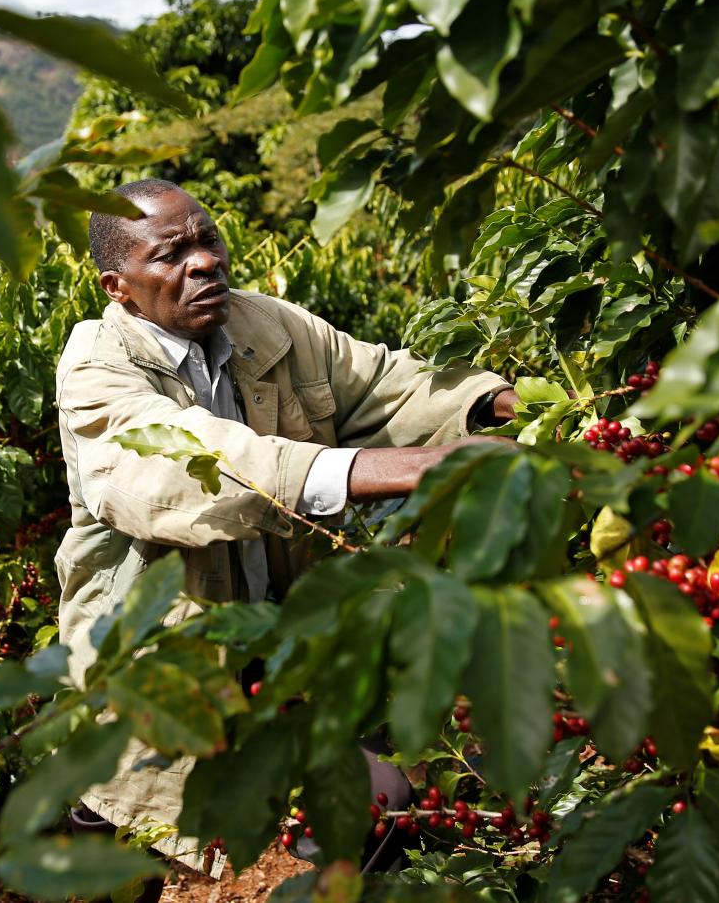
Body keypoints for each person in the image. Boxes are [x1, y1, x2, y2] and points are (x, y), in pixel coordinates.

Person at [52, 178, 517, 879]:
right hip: (169, 654)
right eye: (170, 255)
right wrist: (409, 466)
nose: (204, 262)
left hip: (283, 635)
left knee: (378, 807)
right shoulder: (97, 367)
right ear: (118, 287)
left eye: (208, 240)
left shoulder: (263, 324)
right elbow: (193, 468)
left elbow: (382, 382)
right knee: (131, 826)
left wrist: (502, 403)